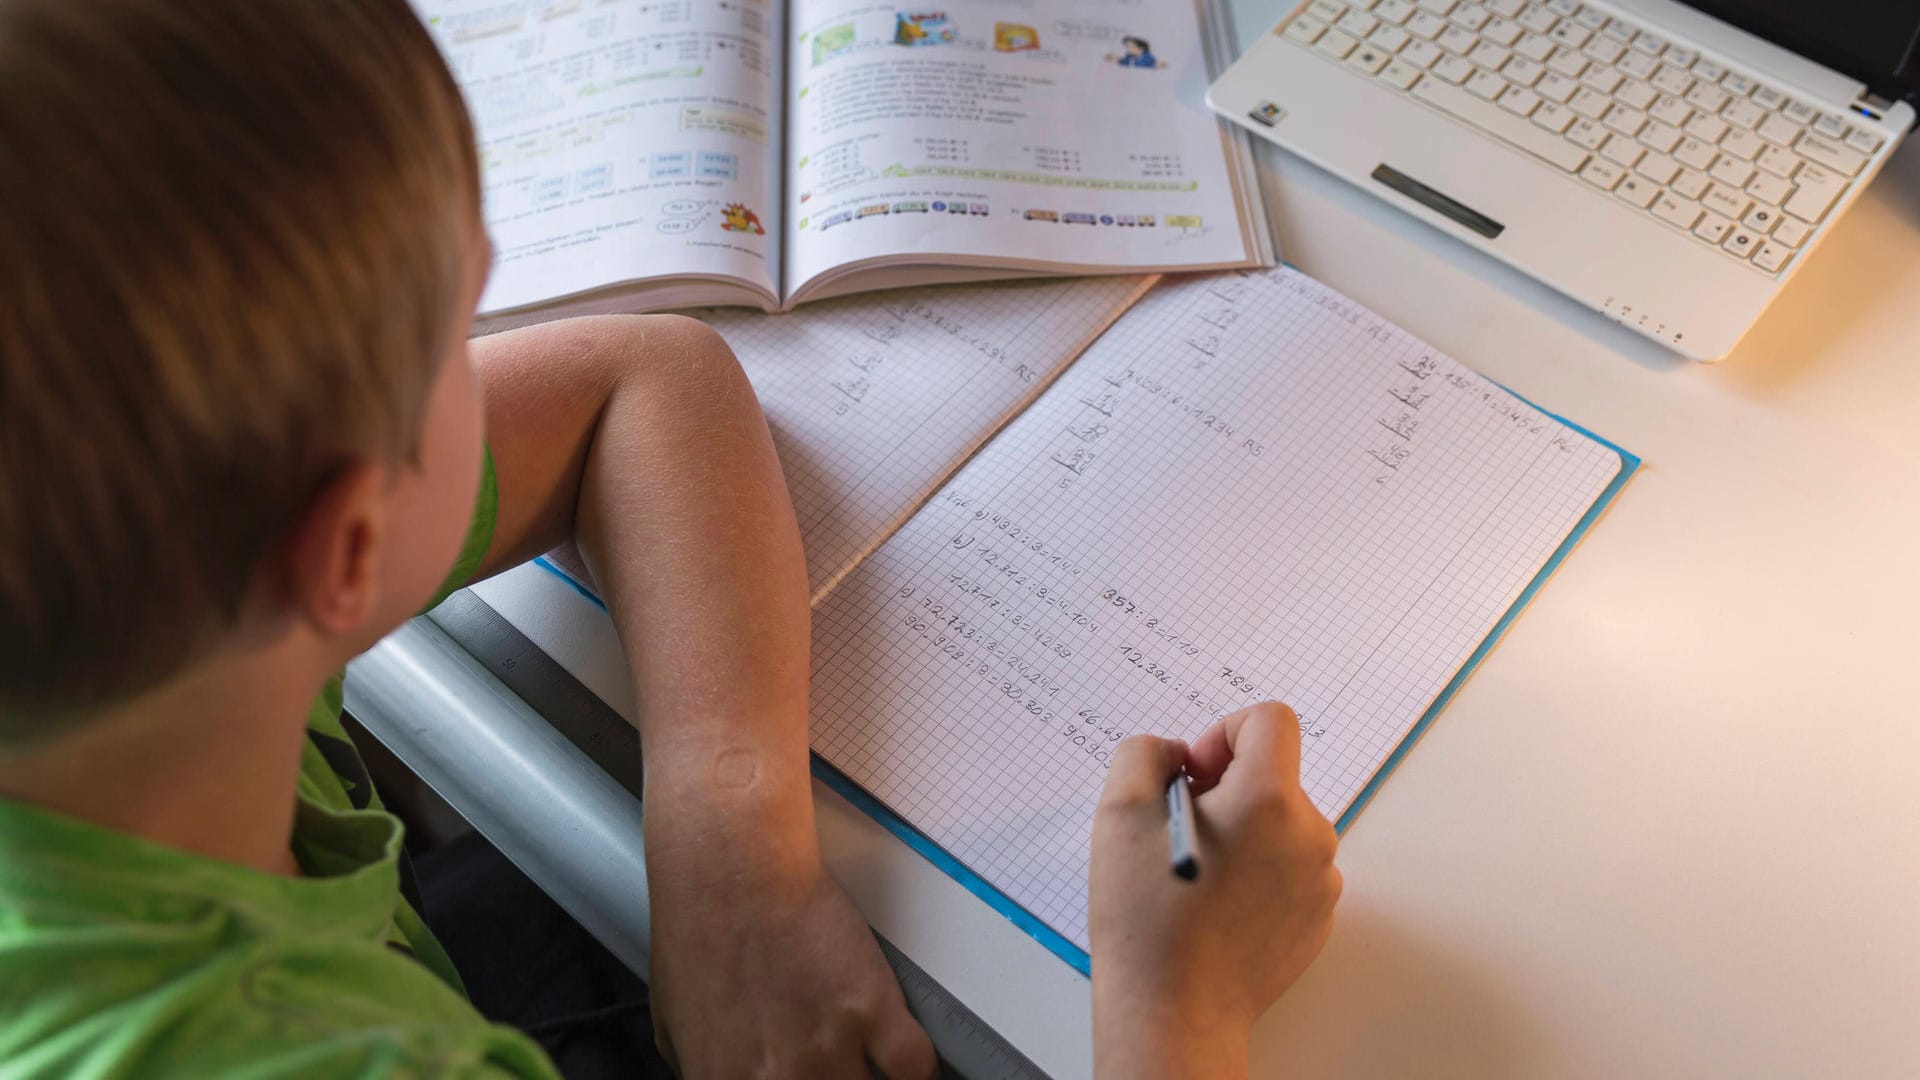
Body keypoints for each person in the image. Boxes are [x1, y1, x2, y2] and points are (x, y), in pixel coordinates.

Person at [0, 2, 1338, 1077]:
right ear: (346, 547)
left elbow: (639, 378)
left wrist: (729, 848)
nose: (491, 353)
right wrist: (1178, 1015)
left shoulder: (140, 636)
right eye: (463, 329)